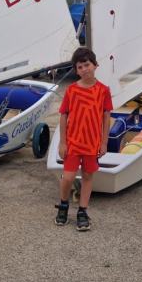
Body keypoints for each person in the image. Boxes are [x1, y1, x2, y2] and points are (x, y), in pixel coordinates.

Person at [55, 47, 112, 231]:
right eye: (80, 67)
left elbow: (106, 117)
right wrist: (62, 142)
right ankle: (63, 205)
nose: (84, 69)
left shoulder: (103, 91)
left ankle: (82, 211)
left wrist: (104, 142)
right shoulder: (71, 90)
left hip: (92, 143)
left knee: (88, 176)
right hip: (73, 143)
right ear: (76, 70)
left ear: (95, 65)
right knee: (69, 176)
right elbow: (63, 115)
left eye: (87, 65)